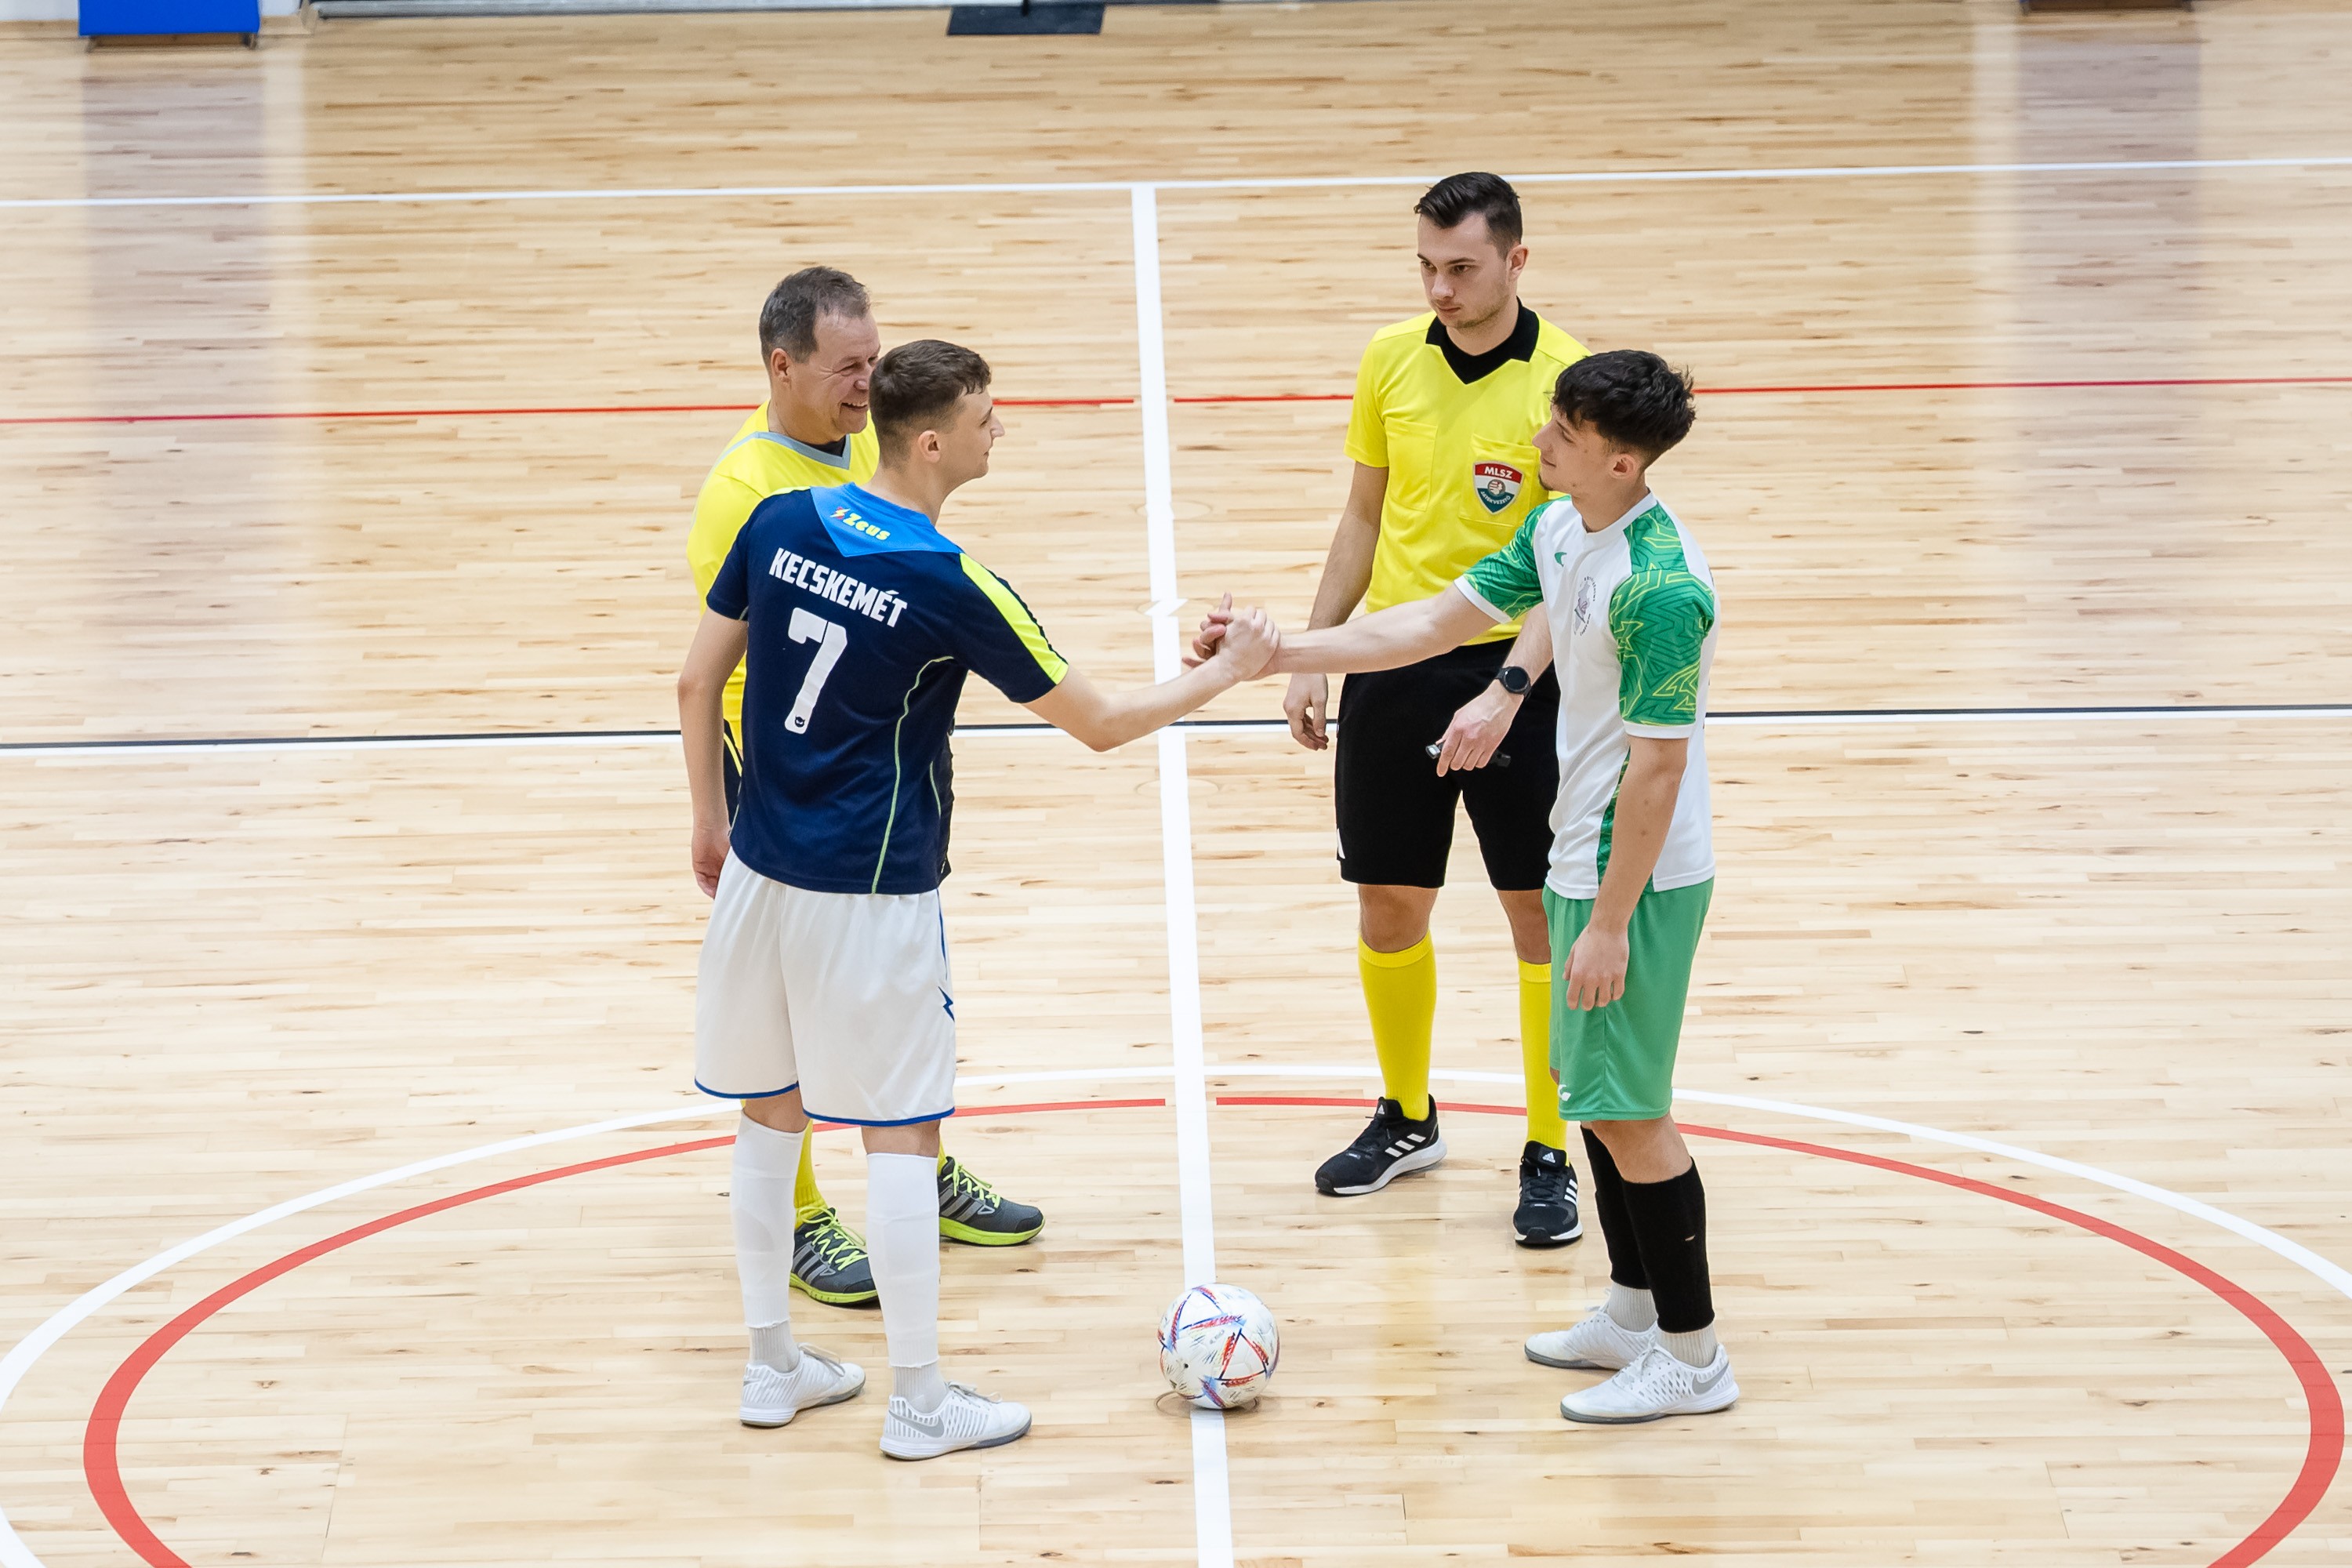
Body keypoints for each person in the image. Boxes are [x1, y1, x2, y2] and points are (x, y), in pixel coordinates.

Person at [679, 339, 1279, 1457]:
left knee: (768, 1117)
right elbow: (1102, 723)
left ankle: (772, 1368)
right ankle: (919, 1403)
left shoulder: (779, 520)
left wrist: (711, 817)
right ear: (930, 442)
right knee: (904, 1137)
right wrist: (1225, 672)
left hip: (758, 869)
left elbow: (696, 678)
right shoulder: (949, 582)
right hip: (869, 895)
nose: (1000, 431)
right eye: (986, 418)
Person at [1197, 350, 1734, 1425]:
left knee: (1632, 1114)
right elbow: (1428, 623)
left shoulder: (1662, 588)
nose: (1539, 446)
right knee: (1593, 1097)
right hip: (1580, 855)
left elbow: (1660, 772)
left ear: (1621, 461)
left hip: (1632, 878)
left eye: (1564, 435)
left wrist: (1611, 924)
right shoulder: (1562, 528)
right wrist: (1277, 653)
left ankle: (1694, 1355)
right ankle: (1633, 1312)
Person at [687, 266, 1045, 1314]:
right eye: (847, 368)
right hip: (793, 772)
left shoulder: (857, 447)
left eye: (873, 362)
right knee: (787, 1029)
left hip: (875, 753)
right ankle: (806, 1218)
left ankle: (915, 1169)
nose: (866, 384)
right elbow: (718, 666)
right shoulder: (747, 491)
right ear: (781, 367)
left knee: (888, 1009)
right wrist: (714, 811)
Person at [1288, 171, 1592, 1245]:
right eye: (1425, 266)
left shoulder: (1565, 383)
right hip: (1396, 665)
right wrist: (1313, 652)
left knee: (1536, 915)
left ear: (1516, 260)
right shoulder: (1389, 359)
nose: (1439, 288)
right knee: (1388, 903)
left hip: (1524, 674)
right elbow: (1363, 517)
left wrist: (1509, 690)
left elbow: (1567, 560)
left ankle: (1550, 1146)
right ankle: (1408, 1117)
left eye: (1461, 267)